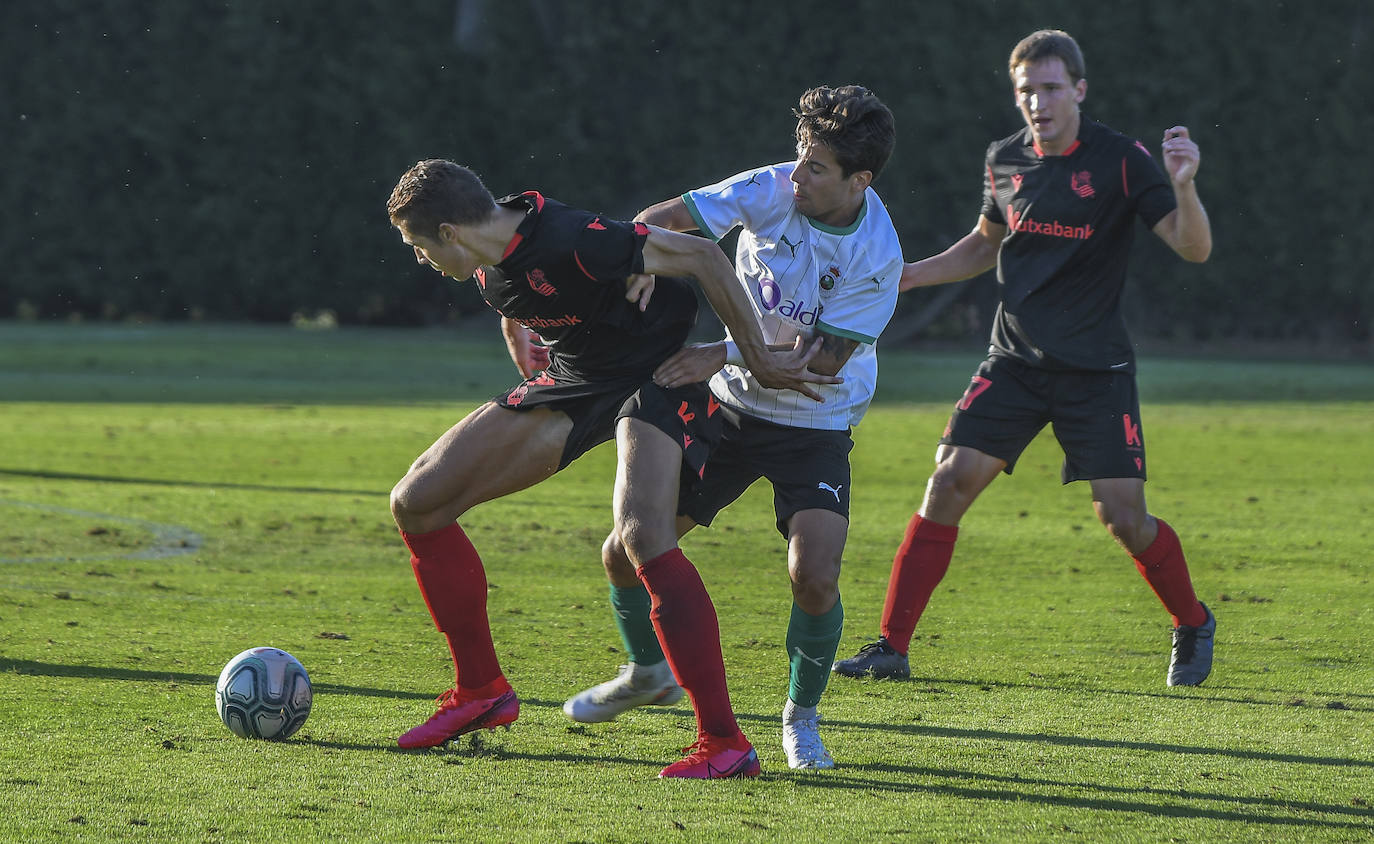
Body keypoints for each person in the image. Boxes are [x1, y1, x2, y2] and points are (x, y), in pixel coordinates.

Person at [385, 159, 838, 779]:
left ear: (450, 232)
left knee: (642, 537)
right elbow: (520, 285)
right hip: (576, 379)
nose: (420, 260)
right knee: (417, 501)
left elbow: (704, 260)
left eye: (418, 247)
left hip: (652, 376)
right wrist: (518, 330)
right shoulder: (489, 254)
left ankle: (724, 743)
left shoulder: (576, 239)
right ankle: (481, 691)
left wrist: (754, 356)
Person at [832, 29, 1216, 687]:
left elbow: (1192, 248)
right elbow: (986, 244)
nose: (1038, 102)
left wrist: (1183, 186)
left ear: (1078, 91)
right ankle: (891, 646)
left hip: (1096, 372)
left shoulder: (1122, 161)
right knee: (948, 481)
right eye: (1026, 91)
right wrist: (911, 275)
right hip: (1013, 361)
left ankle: (1192, 620)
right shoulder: (1005, 159)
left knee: (1122, 517)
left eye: (1050, 88)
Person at [561, 85, 904, 769]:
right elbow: (662, 219)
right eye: (799, 157)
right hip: (728, 407)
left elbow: (820, 364)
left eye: (817, 168)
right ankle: (646, 671)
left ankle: (800, 719)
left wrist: (717, 350)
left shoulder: (877, 254)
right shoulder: (772, 187)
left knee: (814, 574)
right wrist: (637, 264)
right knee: (624, 552)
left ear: (859, 180)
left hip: (815, 419)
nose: (797, 176)